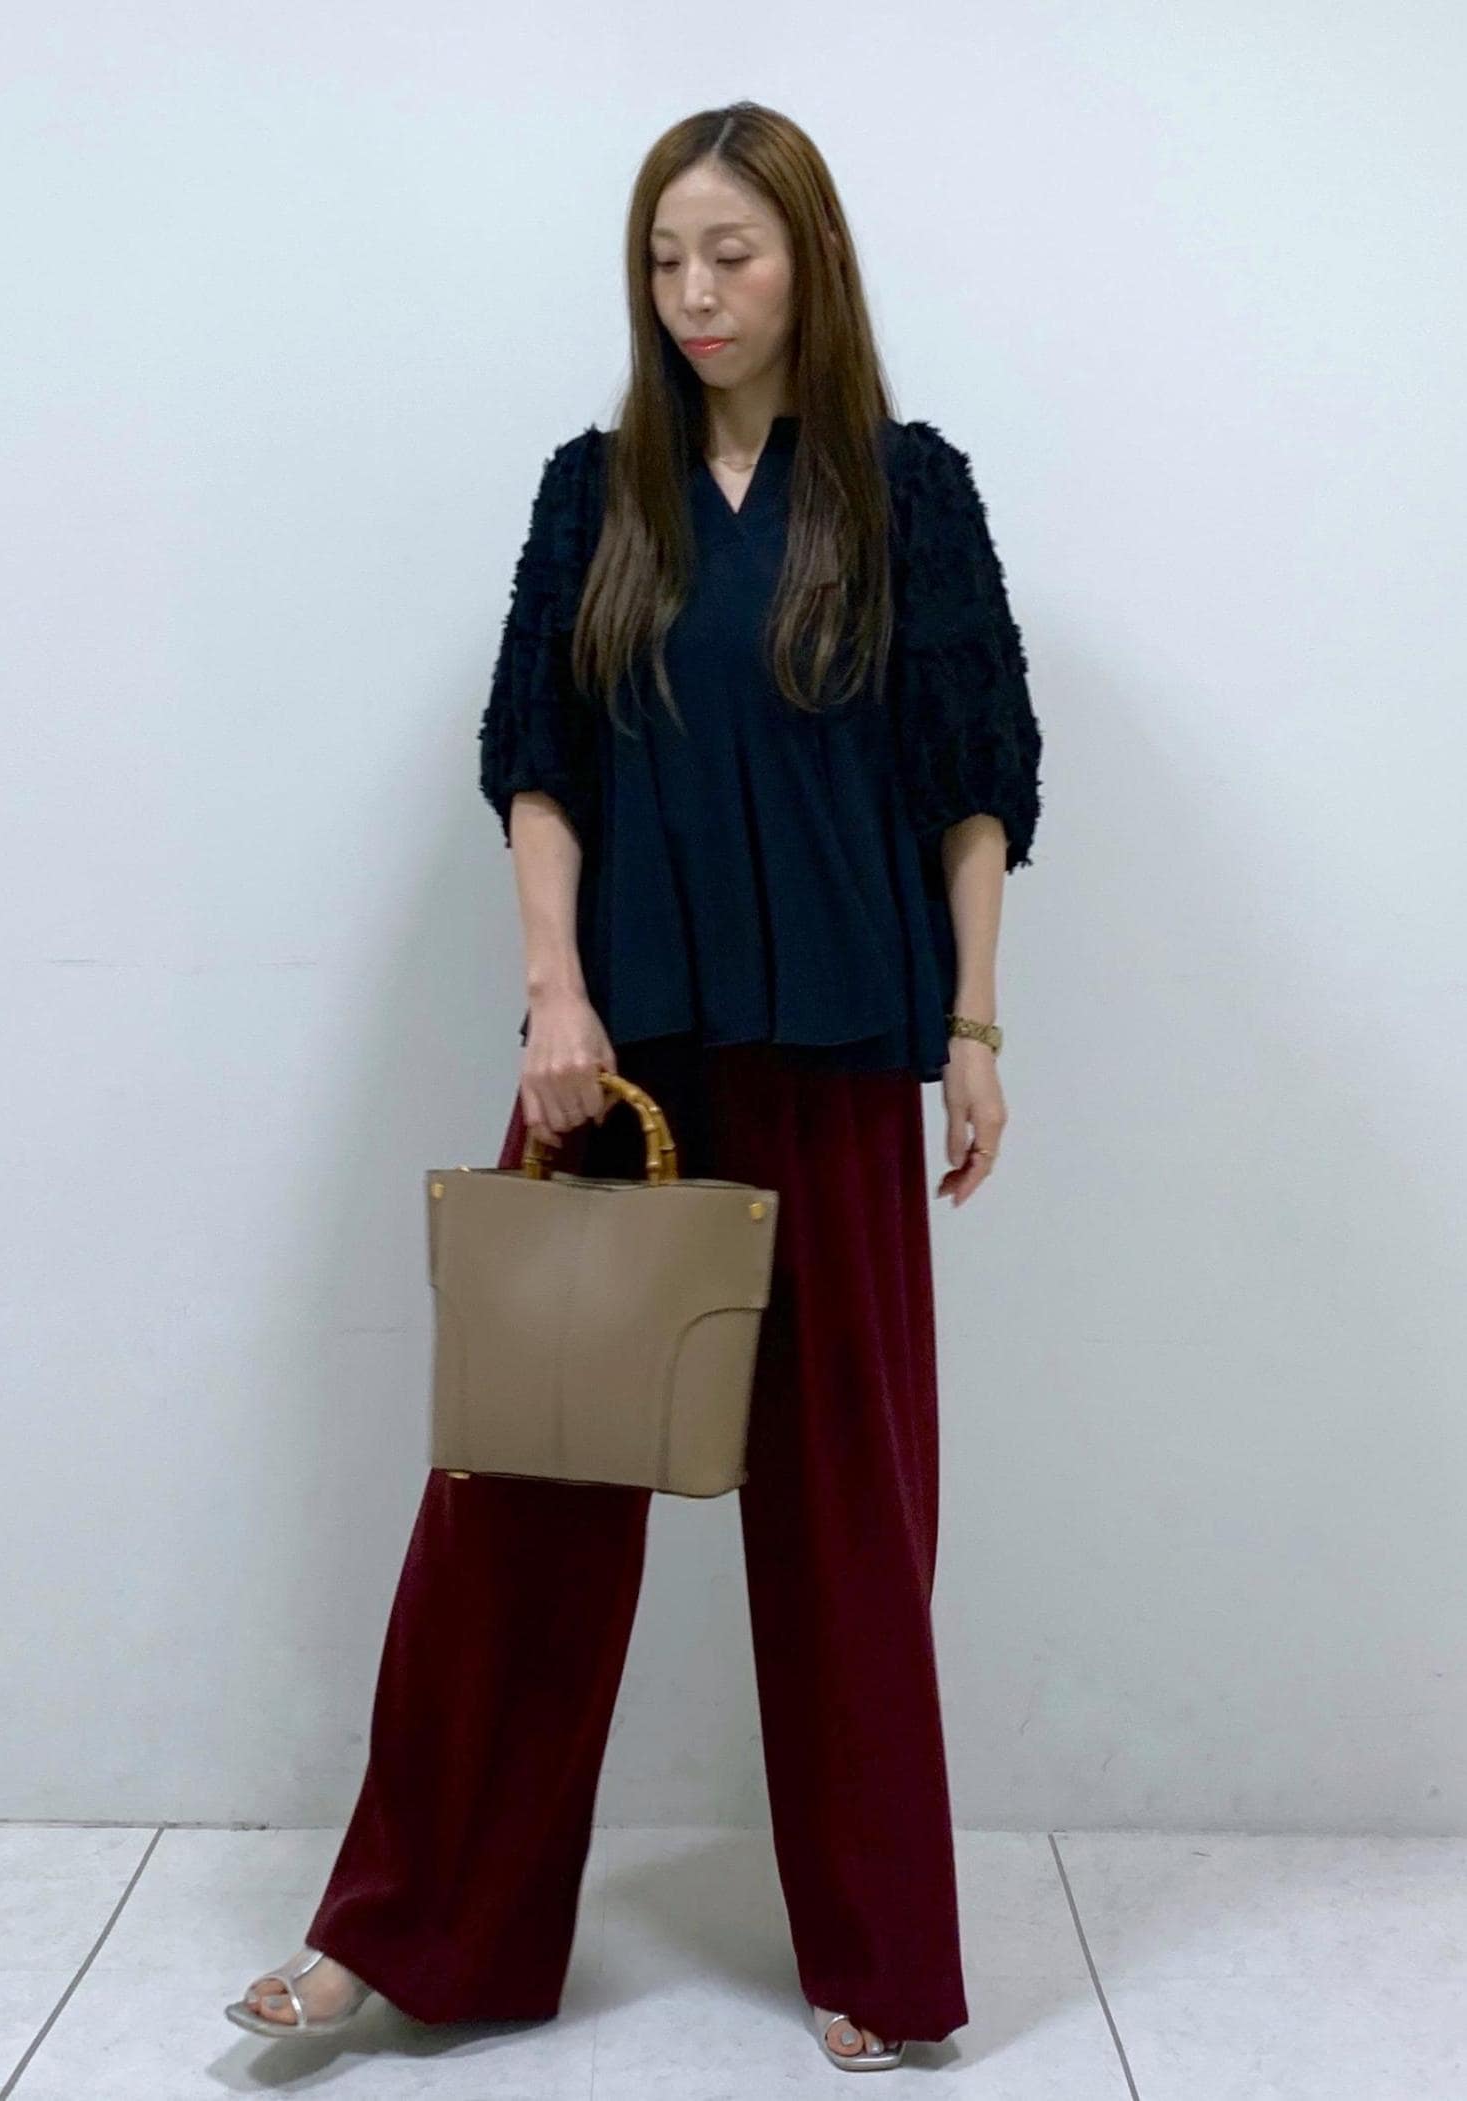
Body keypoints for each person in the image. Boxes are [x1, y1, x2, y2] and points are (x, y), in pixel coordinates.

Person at [226, 97, 1042, 2074]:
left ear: (810, 261)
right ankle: (400, 1935)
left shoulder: (908, 492)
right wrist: (550, 996)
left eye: (730, 253)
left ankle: (878, 1954)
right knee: (514, 1500)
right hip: (620, 1059)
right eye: (665, 258)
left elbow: (976, 779)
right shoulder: (595, 493)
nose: (694, 291)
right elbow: (537, 757)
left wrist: (976, 1031)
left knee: (850, 1517)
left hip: (841, 1043)